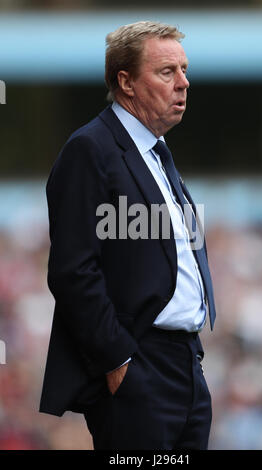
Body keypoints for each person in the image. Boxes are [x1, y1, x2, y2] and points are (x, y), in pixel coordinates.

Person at [39, 21, 217, 450]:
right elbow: (72, 271)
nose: (184, 83)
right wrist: (119, 361)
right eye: (167, 72)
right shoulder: (91, 148)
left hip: (186, 365)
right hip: (139, 368)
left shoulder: (156, 151)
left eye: (184, 69)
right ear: (126, 82)